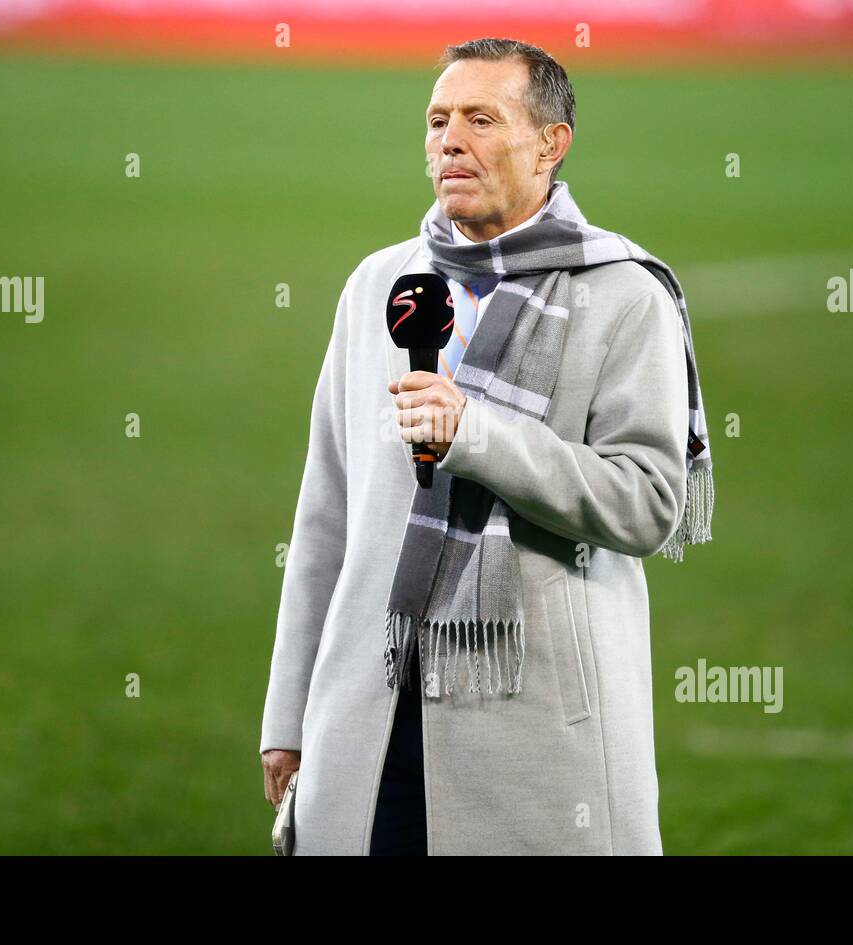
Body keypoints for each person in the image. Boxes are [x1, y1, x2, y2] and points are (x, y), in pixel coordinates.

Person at [260, 37, 714, 855]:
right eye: (437, 121)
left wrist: (479, 435)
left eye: (480, 118)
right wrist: (289, 715)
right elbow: (325, 515)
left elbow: (649, 502)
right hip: (369, 719)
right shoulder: (379, 286)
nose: (449, 141)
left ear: (551, 143)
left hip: (536, 732)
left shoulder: (623, 295)